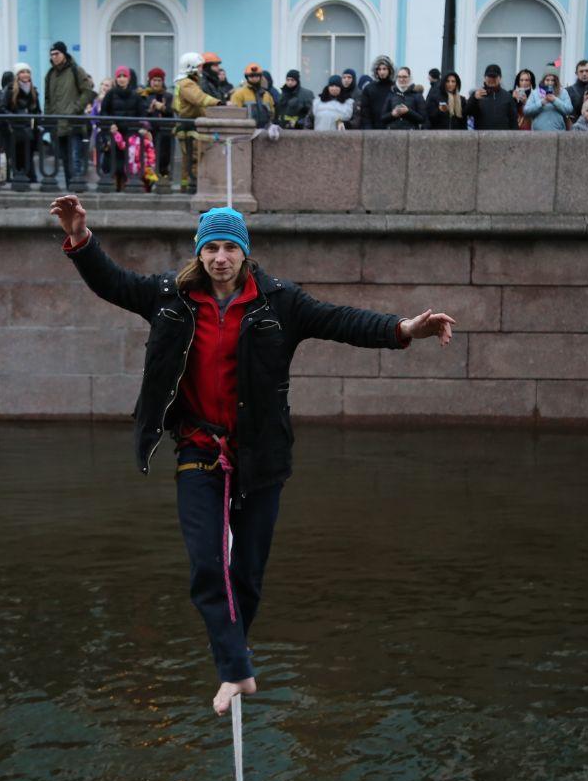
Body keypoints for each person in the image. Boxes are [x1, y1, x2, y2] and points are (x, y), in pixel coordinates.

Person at [48, 195, 456, 716]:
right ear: (201, 252)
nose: (220, 257)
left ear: (244, 252)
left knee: (248, 573)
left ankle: (235, 657)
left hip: (260, 455)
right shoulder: (171, 297)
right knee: (207, 565)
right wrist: (80, 238)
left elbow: (341, 322)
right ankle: (236, 672)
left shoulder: (279, 302)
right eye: (212, 248)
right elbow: (113, 282)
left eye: (230, 248)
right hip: (199, 447)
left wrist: (404, 329)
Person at [44, 41, 96, 191]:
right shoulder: (50, 74)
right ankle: (69, 189)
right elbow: (48, 98)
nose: (54, 57)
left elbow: (87, 92)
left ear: (64, 54)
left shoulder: (75, 70)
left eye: (57, 54)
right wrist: (49, 117)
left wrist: (75, 108)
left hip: (74, 123)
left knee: (75, 158)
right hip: (58, 125)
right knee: (65, 160)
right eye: (52, 54)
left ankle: (77, 189)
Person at [171, 52, 220, 191]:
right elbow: (199, 98)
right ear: (190, 67)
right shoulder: (187, 83)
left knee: (191, 157)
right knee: (192, 157)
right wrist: (219, 102)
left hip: (190, 124)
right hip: (188, 126)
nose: (201, 69)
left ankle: (188, 186)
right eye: (199, 66)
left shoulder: (189, 82)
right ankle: (190, 188)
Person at [100, 66, 149, 192]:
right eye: (119, 76)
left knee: (130, 161)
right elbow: (103, 112)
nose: (122, 79)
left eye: (124, 76)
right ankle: (114, 186)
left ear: (129, 78)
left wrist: (142, 127)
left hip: (131, 135)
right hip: (115, 134)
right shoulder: (110, 94)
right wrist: (110, 124)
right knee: (113, 161)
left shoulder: (136, 95)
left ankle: (128, 185)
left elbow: (142, 114)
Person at [4, 62, 41, 184]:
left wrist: (35, 118)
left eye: (27, 72)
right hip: (16, 130)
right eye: (22, 72)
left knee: (28, 157)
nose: (25, 75)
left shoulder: (33, 91)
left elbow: (38, 110)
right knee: (17, 157)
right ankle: (19, 180)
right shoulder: (10, 90)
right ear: (17, 75)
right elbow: (3, 108)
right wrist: (15, 118)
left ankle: (30, 180)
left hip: (30, 130)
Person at [140, 66, 174, 186]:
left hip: (164, 132)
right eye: (154, 80)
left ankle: (163, 179)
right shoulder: (144, 95)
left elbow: (172, 112)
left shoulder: (168, 96)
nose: (156, 83)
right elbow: (140, 113)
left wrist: (163, 108)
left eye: (159, 80)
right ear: (150, 81)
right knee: (148, 157)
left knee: (164, 156)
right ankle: (148, 182)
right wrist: (150, 109)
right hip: (150, 132)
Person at [465, 64, 516, 130]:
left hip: (502, 138)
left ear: (500, 78)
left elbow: (513, 121)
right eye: (489, 76)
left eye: (494, 77)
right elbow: (467, 112)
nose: (491, 79)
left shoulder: (508, 96)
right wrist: (474, 99)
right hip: (482, 137)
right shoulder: (477, 94)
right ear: (484, 78)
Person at [228, 62, 275, 128]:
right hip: (246, 131)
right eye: (251, 76)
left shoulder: (267, 95)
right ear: (247, 77)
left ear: (260, 76)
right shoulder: (239, 94)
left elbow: (272, 113)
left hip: (264, 132)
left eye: (257, 75)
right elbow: (234, 115)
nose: (254, 78)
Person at [359, 55, 396, 129]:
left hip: (392, 128)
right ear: (376, 71)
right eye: (379, 69)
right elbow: (365, 112)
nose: (382, 72)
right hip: (373, 128)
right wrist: (368, 129)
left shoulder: (395, 87)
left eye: (384, 69)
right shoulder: (369, 88)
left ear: (389, 70)